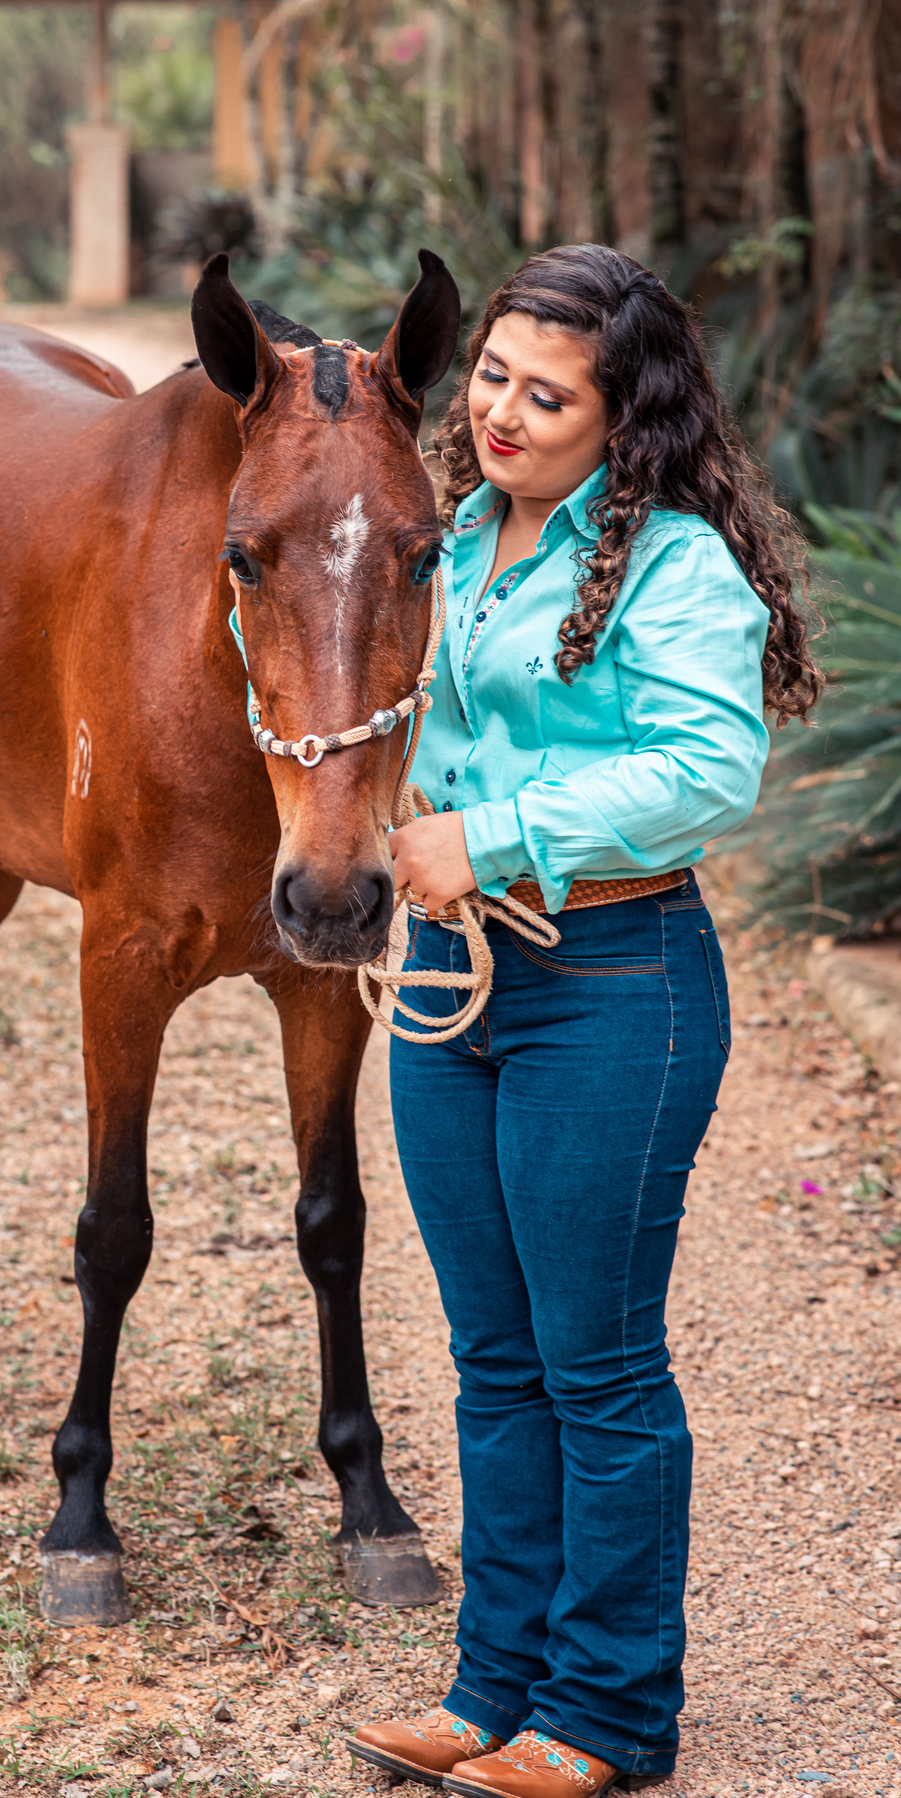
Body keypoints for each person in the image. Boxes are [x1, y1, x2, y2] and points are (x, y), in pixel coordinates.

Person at [347, 244, 820, 1798]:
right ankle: (496, 1689)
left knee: (596, 1361)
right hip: (449, 981)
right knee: (492, 1356)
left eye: (549, 395)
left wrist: (483, 840)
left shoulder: (676, 564)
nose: (500, 411)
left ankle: (612, 1712)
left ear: (625, 418)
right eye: (491, 373)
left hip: (613, 984)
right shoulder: (460, 533)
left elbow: (701, 773)